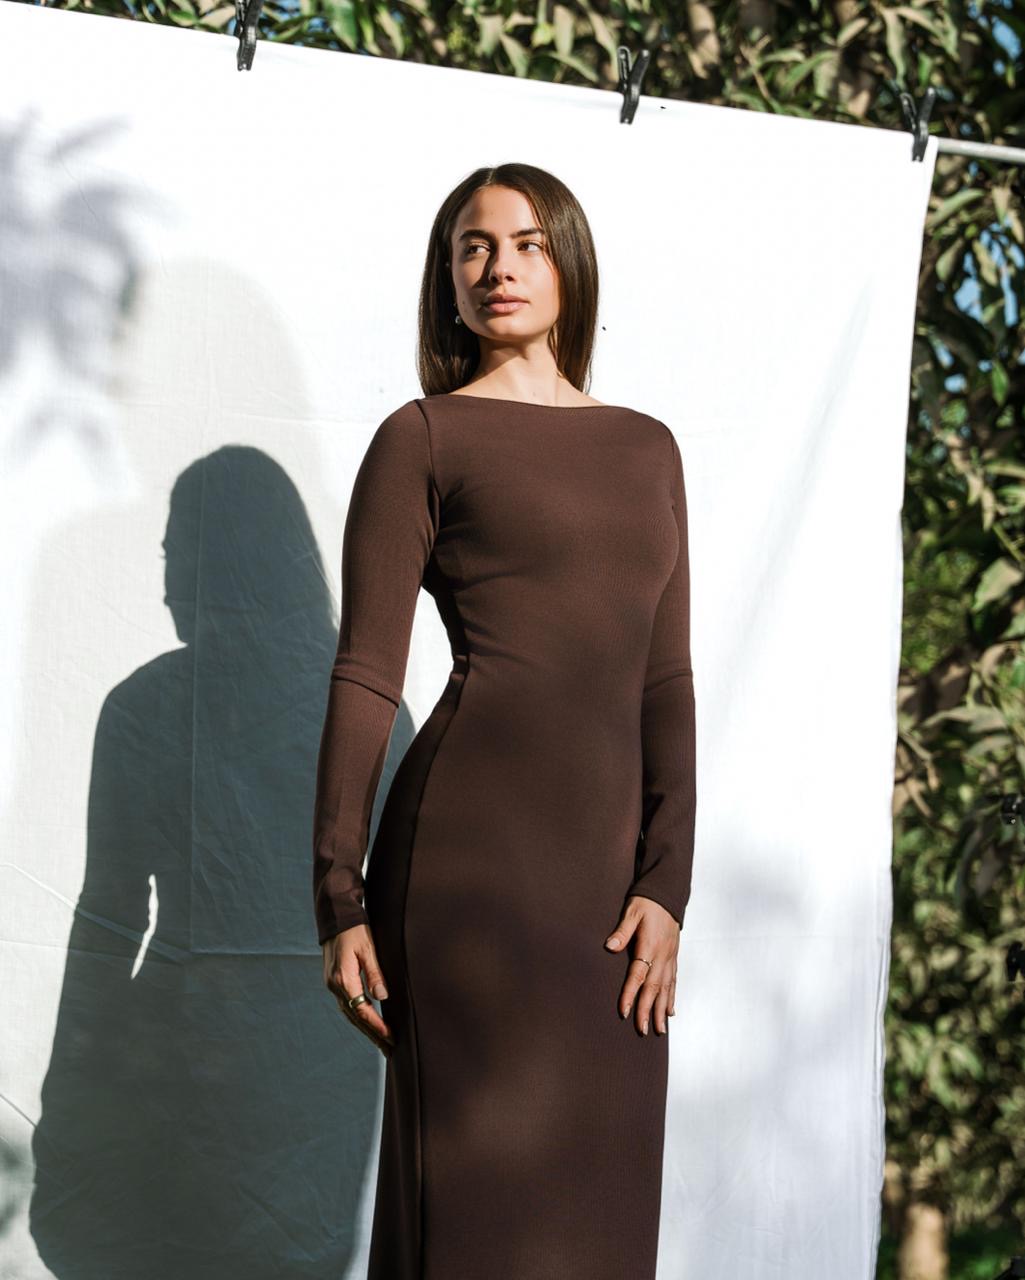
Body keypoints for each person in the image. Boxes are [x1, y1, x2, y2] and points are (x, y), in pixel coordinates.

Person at [311, 161, 696, 1280]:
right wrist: (336, 891)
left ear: (568, 262)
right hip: (464, 870)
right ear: (446, 280)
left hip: (609, 892)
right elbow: (366, 672)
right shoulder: (423, 437)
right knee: (471, 1219)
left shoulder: (647, 448)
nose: (499, 267)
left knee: (598, 1215)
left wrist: (666, 883)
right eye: (472, 247)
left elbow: (664, 679)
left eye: (526, 243)